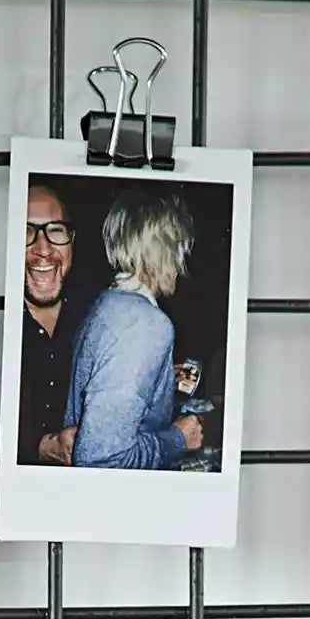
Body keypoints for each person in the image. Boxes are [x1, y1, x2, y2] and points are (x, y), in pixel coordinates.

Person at [63, 189, 205, 471]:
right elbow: (100, 459)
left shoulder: (106, 303)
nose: (182, 263)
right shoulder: (146, 324)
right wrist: (178, 438)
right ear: (166, 251)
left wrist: (161, 381)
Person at [17, 181, 94, 467]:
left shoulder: (97, 314)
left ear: (72, 242)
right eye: (26, 232)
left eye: (56, 231)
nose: (44, 249)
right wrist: (39, 447)